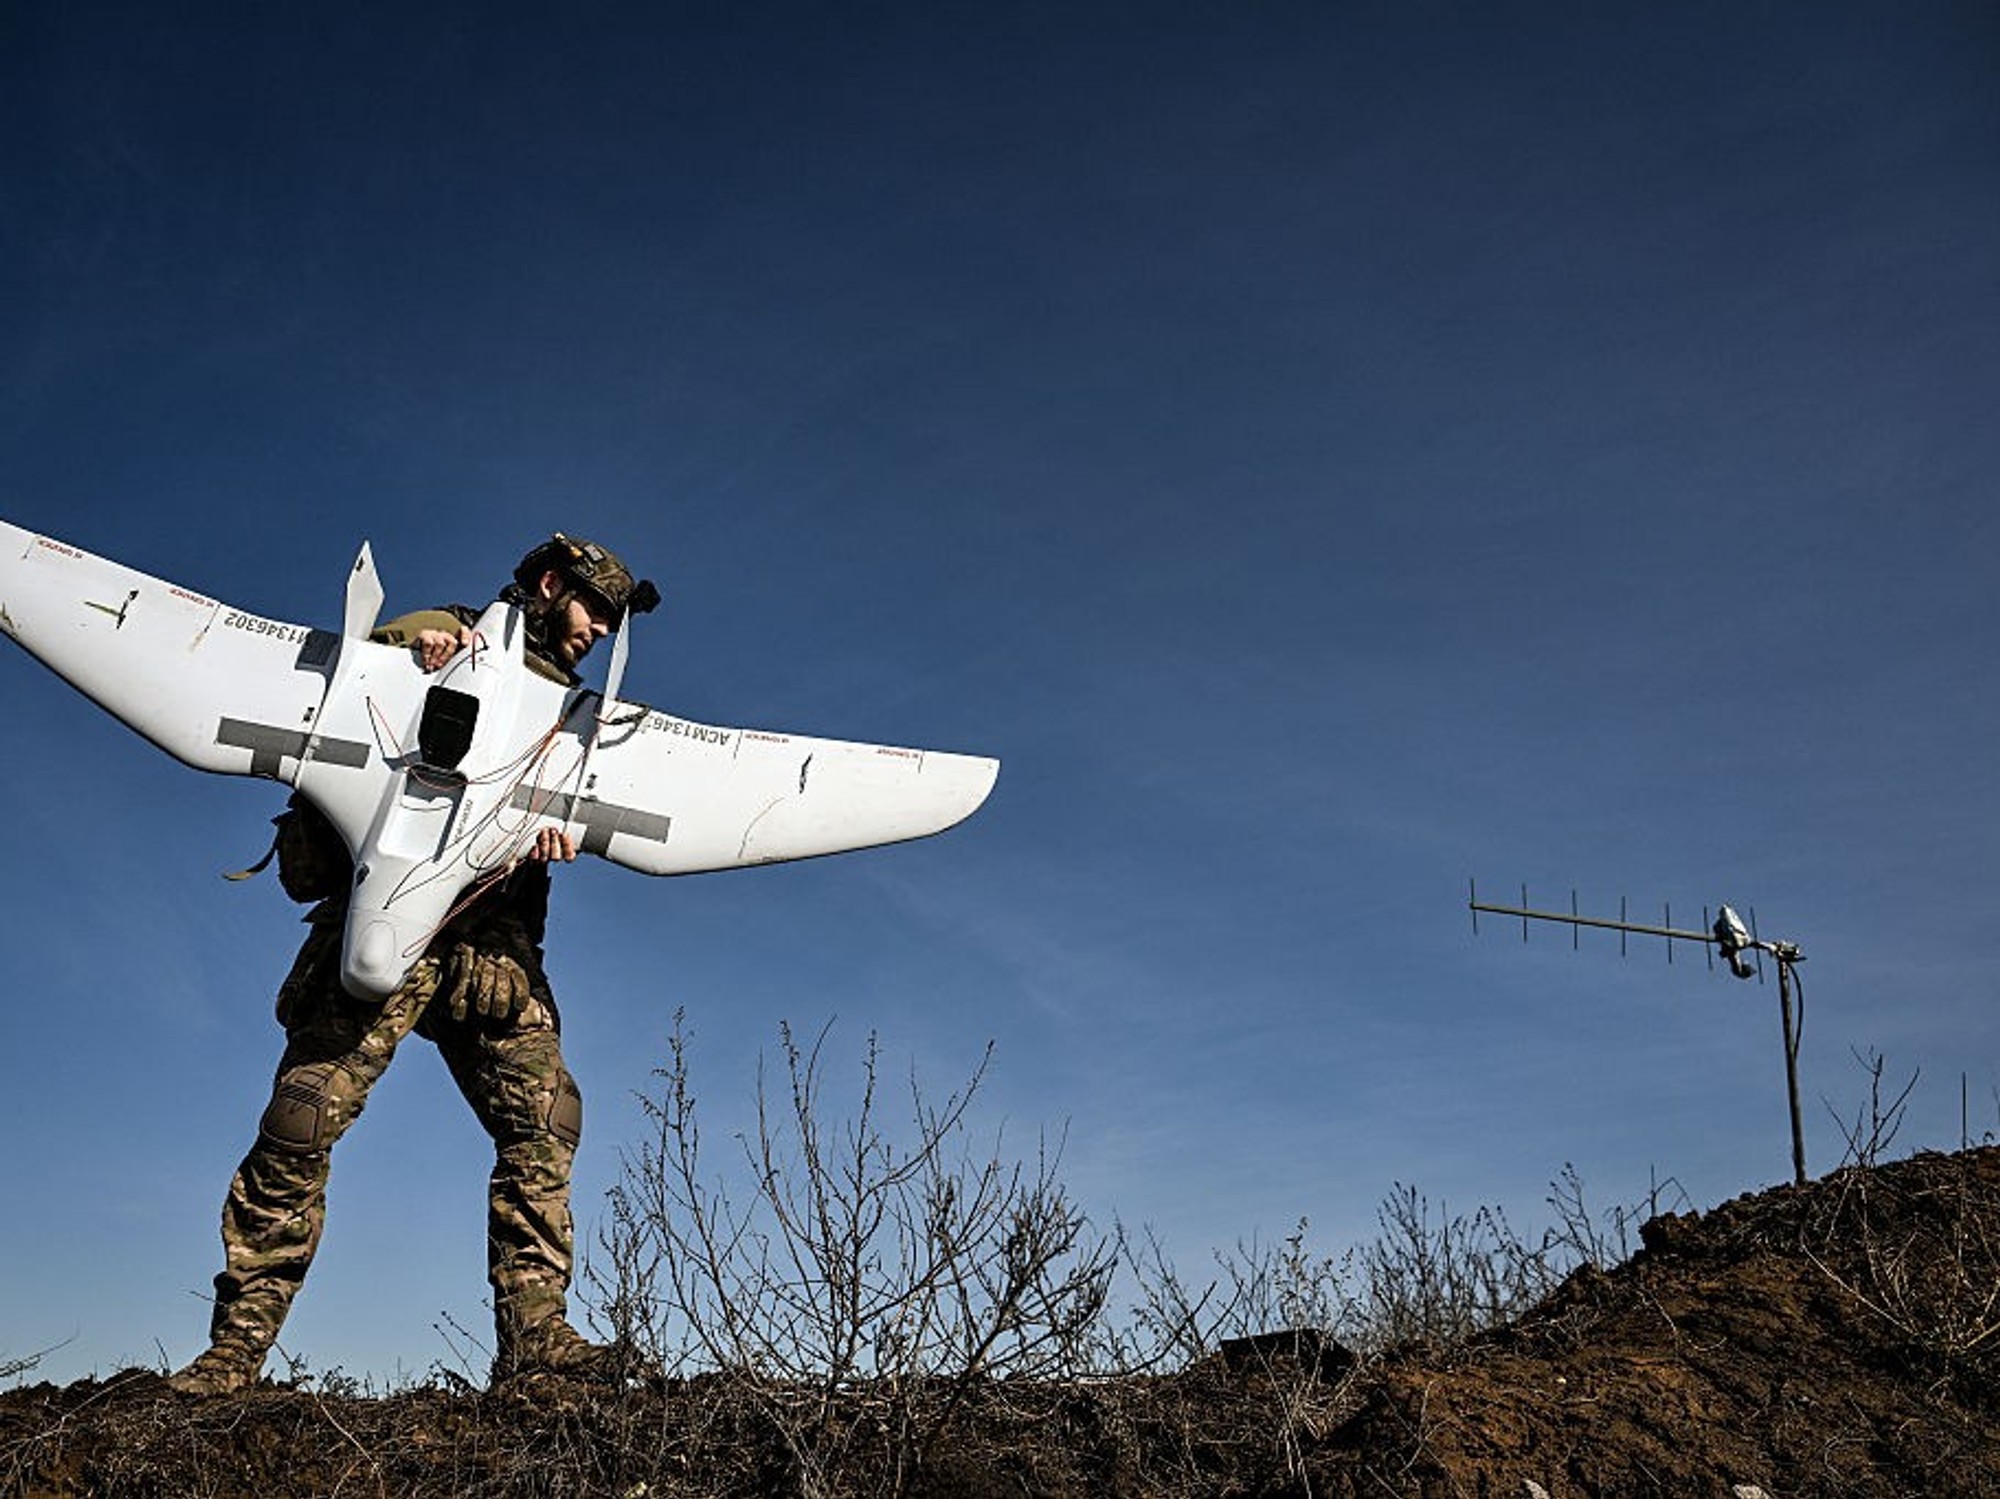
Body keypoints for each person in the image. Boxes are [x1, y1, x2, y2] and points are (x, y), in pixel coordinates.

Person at [167, 535, 654, 1395]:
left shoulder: (576, 721)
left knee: (545, 1119)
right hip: (389, 929)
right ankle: (235, 1351)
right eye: (596, 608)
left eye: (615, 620)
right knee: (302, 1120)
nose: (603, 630)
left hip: (490, 958)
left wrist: (553, 838)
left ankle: (537, 1337)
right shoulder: (438, 639)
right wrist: (406, 657)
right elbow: (352, 685)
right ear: (551, 585)